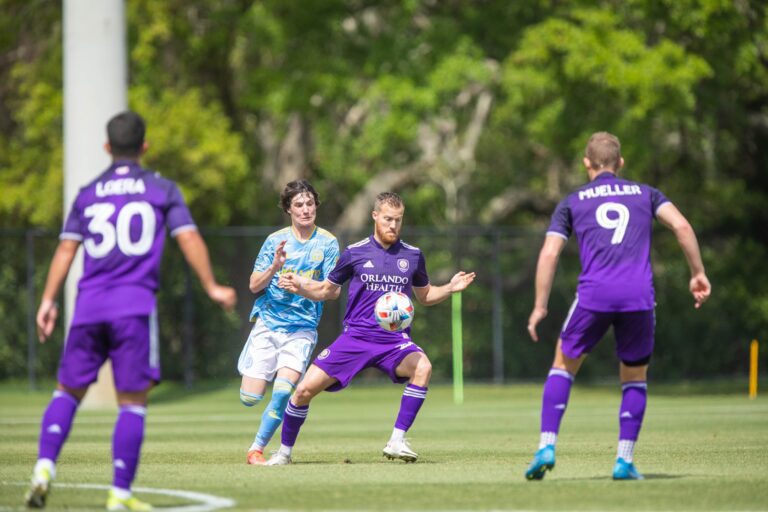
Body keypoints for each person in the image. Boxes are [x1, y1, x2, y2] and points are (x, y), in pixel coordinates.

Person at [25, 111, 237, 510]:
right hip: (134, 308)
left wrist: (48, 300)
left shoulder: (87, 193)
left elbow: (67, 248)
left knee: (67, 392)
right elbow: (188, 237)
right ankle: (119, 494)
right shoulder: (161, 189)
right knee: (133, 402)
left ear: (107, 148)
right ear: (145, 147)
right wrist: (212, 286)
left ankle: (43, 469)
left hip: (88, 308)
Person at [524, 132, 711, 481]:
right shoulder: (646, 193)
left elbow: (549, 252)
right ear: (620, 163)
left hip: (594, 295)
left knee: (563, 364)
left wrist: (540, 306)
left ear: (586, 163)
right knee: (635, 376)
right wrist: (697, 273)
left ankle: (546, 445)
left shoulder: (573, 200)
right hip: (639, 296)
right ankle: (623, 461)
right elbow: (682, 225)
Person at [266, 191, 476, 465]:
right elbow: (328, 291)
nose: (393, 225)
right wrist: (301, 286)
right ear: (375, 216)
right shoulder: (354, 252)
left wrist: (450, 287)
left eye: (398, 220)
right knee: (303, 391)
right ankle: (284, 453)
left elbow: (424, 296)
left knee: (423, 367)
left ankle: (397, 440)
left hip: (394, 341)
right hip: (355, 337)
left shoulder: (413, 255)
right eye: (388, 219)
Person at [236, 180, 339, 465]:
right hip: (268, 325)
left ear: (315, 205)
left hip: (302, 330)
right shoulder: (274, 241)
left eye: (310, 203)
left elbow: (333, 291)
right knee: (249, 398)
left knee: (282, 392)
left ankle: (256, 449)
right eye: (299, 205)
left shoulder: (328, 243)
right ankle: (258, 370)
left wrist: (301, 287)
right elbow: (254, 286)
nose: (306, 210)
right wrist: (275, 267)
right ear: (288, 209)